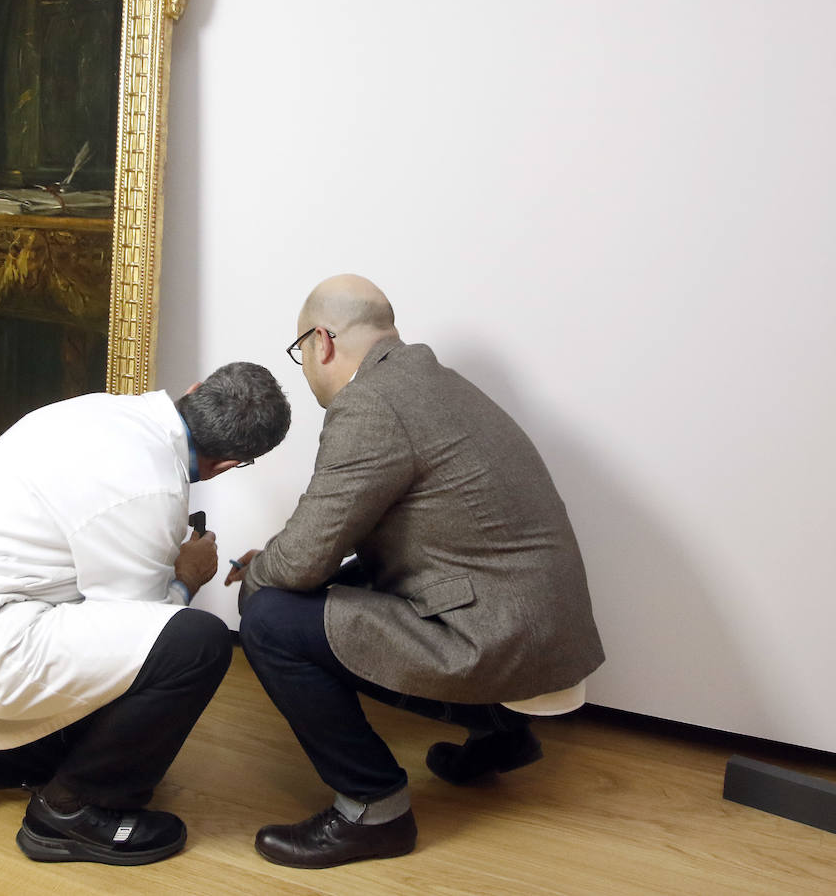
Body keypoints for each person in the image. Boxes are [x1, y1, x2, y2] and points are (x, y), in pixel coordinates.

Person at [226, 274, 605, 869]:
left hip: (496, 637)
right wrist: (285, 563)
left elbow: (299, 563)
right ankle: (500, 731)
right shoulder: (438, 385)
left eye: (301, 353)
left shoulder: (371, 403)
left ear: (322, 341)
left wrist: (259, 575)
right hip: (541, 630)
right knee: (320, 586)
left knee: (269, 615)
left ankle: (373, 810)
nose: (305, 368)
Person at [0, 362, 292, 866]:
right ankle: (73, 811)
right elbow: (146, 642)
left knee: (97, 730)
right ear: (229, 465)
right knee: (197, 644)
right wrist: (186, 577)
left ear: (195, 389)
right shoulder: (154, 486)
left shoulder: (100, 410)